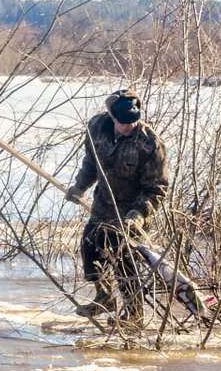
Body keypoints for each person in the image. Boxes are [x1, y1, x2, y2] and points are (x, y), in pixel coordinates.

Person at [64, 89, 169, 324]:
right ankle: (104, 297)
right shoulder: (97, 128)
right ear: (112, 117)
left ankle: (133, 315)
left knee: (124, 261)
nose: (129, 127)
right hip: (103, 205)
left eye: (133, 121)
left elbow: (156, 189)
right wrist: (79, 187)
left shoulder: (150, 144)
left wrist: (138, 215)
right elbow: (91, 163)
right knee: (90, 247)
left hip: (132, 211)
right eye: (123, 123)